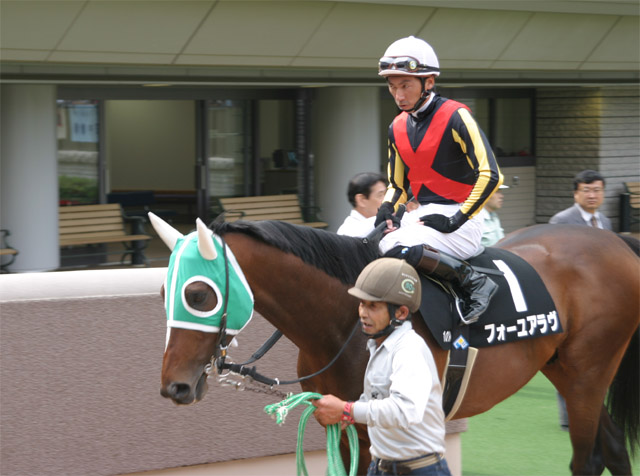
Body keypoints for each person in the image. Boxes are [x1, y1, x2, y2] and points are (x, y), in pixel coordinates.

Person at [374, 36, 503, 324]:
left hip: (463, 220)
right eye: (392, 87)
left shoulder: (456, 115)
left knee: (393, 247)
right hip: (424, 216)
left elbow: (491, 174)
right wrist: (387, 208)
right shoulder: (396, 126)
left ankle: (474, 282)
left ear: (429, 82)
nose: (398, 95)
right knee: (366, 244)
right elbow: (397, 186)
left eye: (405, 85)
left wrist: (456, 220)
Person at [313, 258, 451, 476]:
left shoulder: (409, 349)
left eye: (373, 306)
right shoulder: (379, 346)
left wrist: (346, 409)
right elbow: (377, 400)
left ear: (401, 313)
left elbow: (405, 411)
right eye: (362, 304)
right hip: (381, 467)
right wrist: (348, 414)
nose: (363, 313)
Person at [549, 169, 611, 431]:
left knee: (599, 359)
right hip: (571, 302)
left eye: (597, 190)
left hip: (601, 303)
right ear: (576, 194)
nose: (592, 195)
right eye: (586, 190)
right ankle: (568, 416)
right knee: (569, 358)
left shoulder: (604, 221)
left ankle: (593, 411)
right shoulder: (561, 221)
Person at [337, 172, 387, 238]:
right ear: (361, 200)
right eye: (380, 195)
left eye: (386, 194)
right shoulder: (349, 232)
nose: (387, 199)